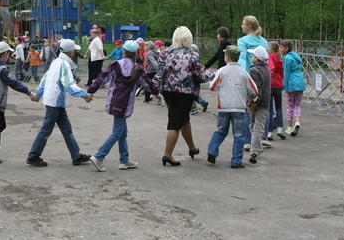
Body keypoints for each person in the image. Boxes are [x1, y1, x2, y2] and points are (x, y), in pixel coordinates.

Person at [87, 40, 160, 172]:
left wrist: (90, 91)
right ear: (136, 53)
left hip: (115, 100)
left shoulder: (115, 64)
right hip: (125, 103)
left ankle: (124, 160)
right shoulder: (137, 69)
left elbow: (102, 78)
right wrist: (156, 93)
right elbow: (147, 83)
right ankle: (99, 156)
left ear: (124, 51)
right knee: (117, 132)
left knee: (122, 132)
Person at [153, 26, 214, 166]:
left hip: (168, 92)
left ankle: (192, 148)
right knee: (175, 123)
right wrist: (213, 74)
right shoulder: (192, 55)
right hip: (185, 93)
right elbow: (199, 76)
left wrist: (154, 89)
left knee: (183, 119)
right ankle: (167, 155)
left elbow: (159, 74)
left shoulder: (165, 53)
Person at [26, 39, 93, 167]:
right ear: (71, 51)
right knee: (47, 130)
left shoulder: (56, 62)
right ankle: (33, 155)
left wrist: (38, 94)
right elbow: (69, 85)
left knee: (66, 129)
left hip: (54, 101)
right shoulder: (64, 64)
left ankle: (76, 155)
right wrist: (85, 95)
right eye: (74, 50)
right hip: (56, 101)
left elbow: (45, 79)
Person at [207, 45, 258, 168]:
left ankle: (212, 151)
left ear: (227, 57)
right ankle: (236, 161)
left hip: (224, 107)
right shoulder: (244, 73)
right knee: (239, 135)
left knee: (221, 131)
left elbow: (212, 86)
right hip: (239, 108)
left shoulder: (222, 71)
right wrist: (252, 100)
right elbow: (255, 91)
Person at [237, 15, 268, 150]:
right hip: (263, 78)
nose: (242, 26)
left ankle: (248, 141)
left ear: (249, 26)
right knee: (263, 109)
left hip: (250, 77)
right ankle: (262, 138)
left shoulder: (242, 41)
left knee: (247, 110)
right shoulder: (264, 42)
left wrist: (241, 75)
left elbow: (242, 57)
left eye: (243, 24)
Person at [247, 46, 271, 164]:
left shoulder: (254, 71)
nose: (252, 57)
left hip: (256, 102)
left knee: (255, 126)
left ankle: (254, 151)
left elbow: (257, 89)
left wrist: (253, 102)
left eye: (253, 55)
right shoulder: (267, 70)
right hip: (266, 102)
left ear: (256, 58)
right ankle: (257, 147)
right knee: (258, 126)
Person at [280, 40, 306, 136]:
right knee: (297, 104)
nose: (280, 49)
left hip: (291, 82)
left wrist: (284, 85)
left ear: (286, 48)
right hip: (300, 81)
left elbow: (286, 73)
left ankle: (289, 127)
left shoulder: (287, 58)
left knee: (289, 105)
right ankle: (297, 122)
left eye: (281, 47)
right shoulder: (296, 57)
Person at [267, 41, 286, 139]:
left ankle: (269, 131)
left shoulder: (270, 57)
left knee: (269, 109)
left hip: (271, 84)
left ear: (271, 48)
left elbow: (271, 68)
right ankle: (280, 128)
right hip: (279, 84)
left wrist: (269, 79)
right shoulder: (280, 58)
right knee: (279, 107)